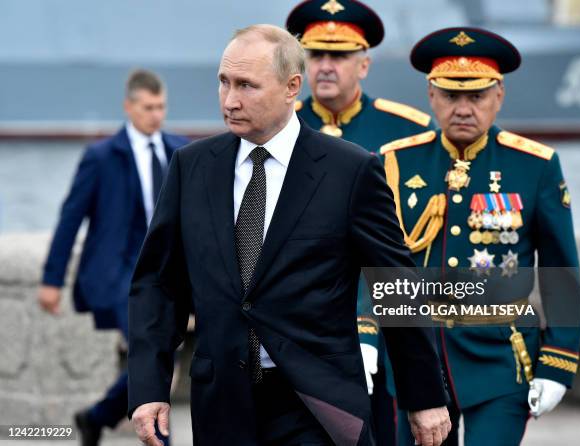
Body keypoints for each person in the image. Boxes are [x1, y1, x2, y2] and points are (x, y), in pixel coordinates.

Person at [128, 24, 451, 446]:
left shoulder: (350, 172)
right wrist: (149, 388)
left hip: (318, 405)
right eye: (224, 82)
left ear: (291, 87)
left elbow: (397, 285)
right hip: (222, 403)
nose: (230, 100)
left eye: (246, 85)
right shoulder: (192, 168)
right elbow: (158, 284)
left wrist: (424, 398)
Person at [378, 27, 580, 445]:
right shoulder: (396, 162)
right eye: (451, 96)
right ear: (431, 96)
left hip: (500, 357)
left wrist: (558, 363)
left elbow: (561, 271)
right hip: (418, 356)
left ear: (499, 96)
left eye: (476, 96)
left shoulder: (535, 165)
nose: (464, 108)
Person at [285, 2, 436, 443]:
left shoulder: (407, 133)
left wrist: (368, 326)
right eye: (316, 55)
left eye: (340, 56)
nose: (326, 66)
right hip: (301, 330)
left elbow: (398, 249)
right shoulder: (280, 127)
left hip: (384, 339)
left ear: (364, 64)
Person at [38, 69, 189, 446]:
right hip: (115, 275)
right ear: (129, 107)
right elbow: (71, 218)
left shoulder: (181, 152)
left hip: (165, 275)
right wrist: (52, 280)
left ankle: (97, 415)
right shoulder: (101, 156)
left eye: (161, 107)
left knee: (160, 351)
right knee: (152, 351)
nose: (156, 115)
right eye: (148, 107)